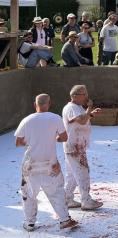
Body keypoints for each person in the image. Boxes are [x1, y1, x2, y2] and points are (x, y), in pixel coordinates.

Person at [15, 94, 78, 231]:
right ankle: (64, 220)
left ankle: (29, 223)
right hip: (50, 164)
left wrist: (31, 141)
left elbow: (18, 142)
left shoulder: (27, 120)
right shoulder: (55, 118)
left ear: (34, 104)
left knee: (28, 194)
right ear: (49, 104)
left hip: (30, 164)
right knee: (56, 192)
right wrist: (52, 138)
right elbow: (64, 137)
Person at [62, 85, 104, 210]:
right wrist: (89, 109)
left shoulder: (77, 107)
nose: (86, 96)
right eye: (83, 94)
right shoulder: (71, 108)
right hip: (75, 147)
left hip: (75, 146)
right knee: (82, 173)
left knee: (72, 175)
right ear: (75, 96)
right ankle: (86, 200)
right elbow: (80, 120)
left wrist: (90, 114)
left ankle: (67, 199)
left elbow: (83, 119)